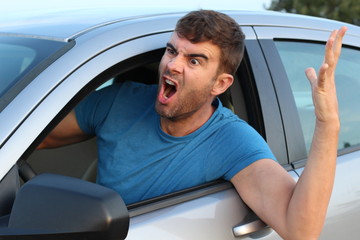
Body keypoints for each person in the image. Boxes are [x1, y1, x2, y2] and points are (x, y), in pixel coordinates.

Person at [38, 10, 347, 239]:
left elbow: (301, 231)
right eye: (173, 50)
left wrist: (327, 123)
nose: (172, 64)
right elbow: (32, 136)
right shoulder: (119, 101)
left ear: (221, 84)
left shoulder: (232, 140)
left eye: (194, 61)